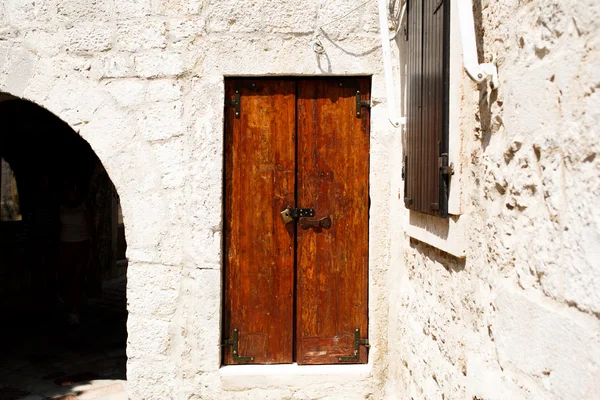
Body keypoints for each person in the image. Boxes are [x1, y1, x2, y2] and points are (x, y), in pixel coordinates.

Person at [59, 178, 93, 325]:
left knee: (77, 277)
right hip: (65, 244)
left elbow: (91, 225)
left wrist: (94, 246)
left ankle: (74, 310)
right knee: (67, 277)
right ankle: (71, 304)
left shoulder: (84, 205)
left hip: (81, 243)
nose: (70, 192)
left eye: (73, 188)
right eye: (68, 189)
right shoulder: (61, 206)